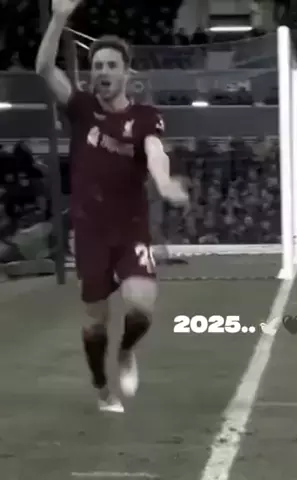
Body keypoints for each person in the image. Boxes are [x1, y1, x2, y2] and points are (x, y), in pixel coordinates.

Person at [35, 0, 188, 413]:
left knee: (141, 306)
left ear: (126, 73)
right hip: (90, 232)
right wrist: (59, 17)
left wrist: (162, 181)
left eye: (110, 65)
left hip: (130, 227)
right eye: (97, 65)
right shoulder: (81, 108)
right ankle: (102, 385)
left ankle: (126, 351)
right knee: (94, 321)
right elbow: (44, 68)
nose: (102, 72)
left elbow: (155, 152)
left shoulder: (145, 117)